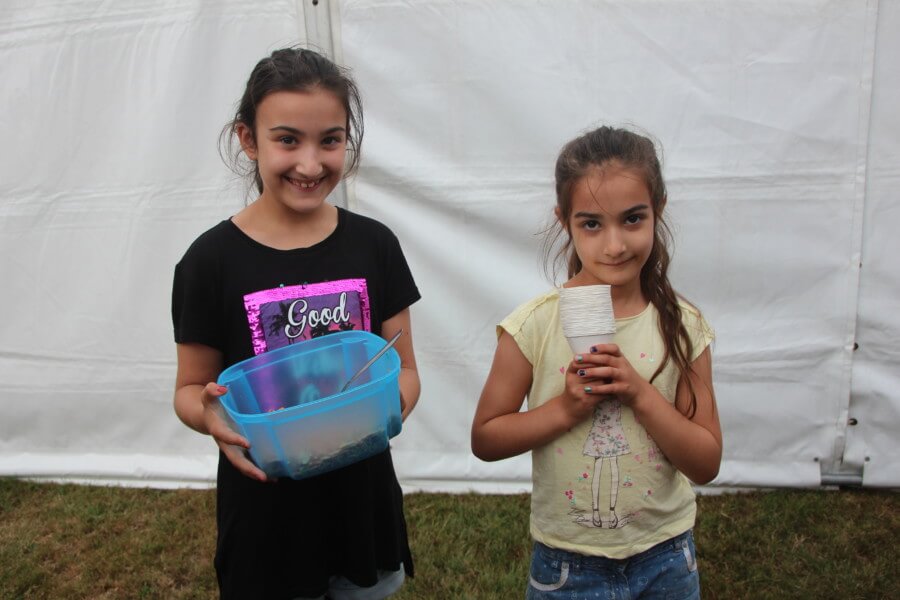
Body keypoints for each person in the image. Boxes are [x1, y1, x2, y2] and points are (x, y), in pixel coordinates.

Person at [171, 47, 420, 600]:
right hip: (268, 524)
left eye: (330, 140)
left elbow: (403, 369)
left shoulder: (375, 245)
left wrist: (382, 410)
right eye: (288, 140)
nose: (310, 165)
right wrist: (208, 413)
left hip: (362, 509)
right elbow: (190, 389)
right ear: (248, 139)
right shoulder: (209, 262)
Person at [471, 126, 721, 599]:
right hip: (568, 565)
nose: (615, 245)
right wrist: (565, 409)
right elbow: (486, 438)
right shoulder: (535, 326)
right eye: (591, 224)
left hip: (666, 558)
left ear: (658, 210)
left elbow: (706, 462)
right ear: (564, 220)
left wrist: (640, 393)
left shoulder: (683, 327)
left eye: (632, 219)